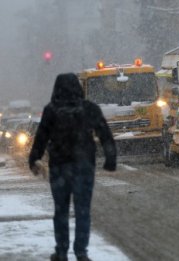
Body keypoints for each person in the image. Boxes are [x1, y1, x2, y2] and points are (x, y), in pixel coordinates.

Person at [29, 73, 117, 261]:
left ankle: (61, 251)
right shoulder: (89, 109)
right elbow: (105, 133)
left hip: (59, 167)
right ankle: (81, 251)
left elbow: (41, 138)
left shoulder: (51, 110)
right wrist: (110, 158)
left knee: (61, 210)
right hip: (83, 166)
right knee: (82, 210)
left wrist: (33, 159)